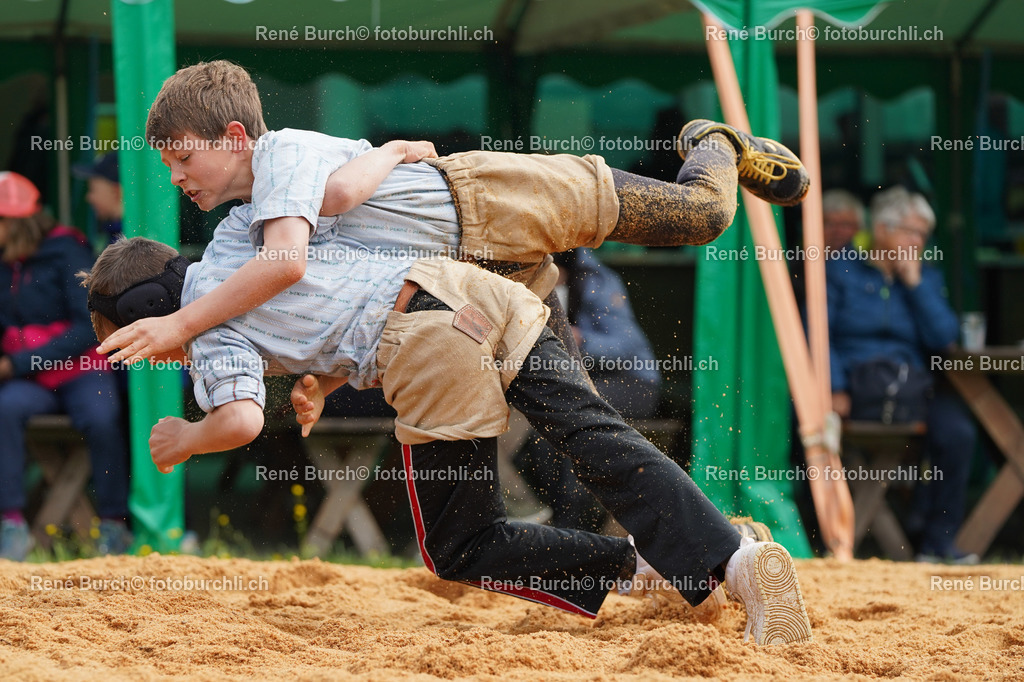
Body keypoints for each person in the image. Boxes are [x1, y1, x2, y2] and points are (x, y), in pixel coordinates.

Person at [82, 229, 813, 646]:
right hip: (478, 290)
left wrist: (185, 437)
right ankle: (732, 552)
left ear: (153, 307)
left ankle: (646, 567)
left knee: (462, 545)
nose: (148, 353)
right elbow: (351, 301)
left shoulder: (208, 328)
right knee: (594, 435)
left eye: (131, 341)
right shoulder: (252, 242)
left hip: (428, 341)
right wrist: (330, 379)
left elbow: (240, 421)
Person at [98, 60, 810, 367]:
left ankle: (712, 140)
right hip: (474, 269)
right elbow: (325, 285)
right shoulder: (255, 214)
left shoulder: (281, 154)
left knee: (701, 216)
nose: (175, 175)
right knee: (569, 400)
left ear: (232, 139)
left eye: (181, 157)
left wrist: (184, 322)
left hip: (490, 197)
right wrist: (313, 376)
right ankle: (667, 550)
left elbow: (301, 249)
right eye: (164, 165)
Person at [827, 186, 978, 564]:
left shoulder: (924, 277)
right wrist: (834, 386)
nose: (918, 242)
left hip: (913, 389)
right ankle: (833, 535)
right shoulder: (839, 268)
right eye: (911, 232)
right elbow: (817, 334)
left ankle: (937, 543)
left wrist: (914, 285)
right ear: (881, 229)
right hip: (855, 386)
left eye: (923, 236)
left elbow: (944, 338)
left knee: (957, 432)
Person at [0, 171, 131, 560]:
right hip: (31, 381)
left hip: (80, 371)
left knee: (104, 418)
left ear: (13, 221)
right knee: (4, 409)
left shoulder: (67, 251)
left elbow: (89, 328)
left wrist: (16, 362)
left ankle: (114, 526)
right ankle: (11, 524)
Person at [515, 248, 662, 533]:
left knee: (569, 417)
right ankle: (559, 520)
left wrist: (580, 341)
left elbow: (626, 347)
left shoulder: (600, 281)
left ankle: (574, 525)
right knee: (544, 429)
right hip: (584, 383)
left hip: (633, 383)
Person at [73, 152, 123, 243]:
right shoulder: (114, 234)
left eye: (93, 190)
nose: (89, 197)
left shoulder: (132, 240)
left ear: (116, 191)